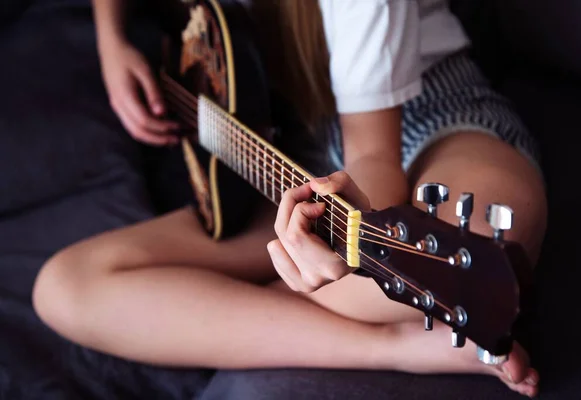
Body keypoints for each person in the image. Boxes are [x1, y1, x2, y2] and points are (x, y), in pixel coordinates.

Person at [32, 0, 547, 397]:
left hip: (425, 119)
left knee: (474, 239)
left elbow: (371, 160)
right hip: (285, 148)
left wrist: (348, 244)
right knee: (65, 287)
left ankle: (297, 308)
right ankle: (397, 344)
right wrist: (112, 41)